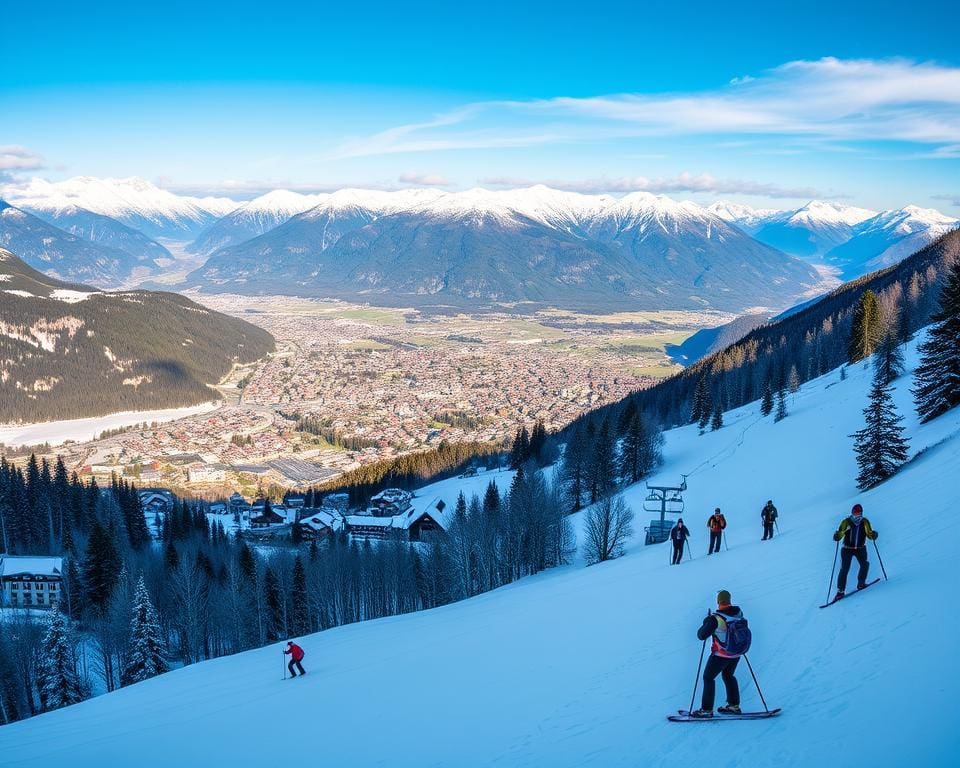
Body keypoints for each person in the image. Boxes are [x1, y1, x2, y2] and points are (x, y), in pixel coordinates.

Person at [690, 590, 744, 718]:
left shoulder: (715, 618)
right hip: (736, 653)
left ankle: (706, 710)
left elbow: (701, 635)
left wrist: (706, 622)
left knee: (708, 678)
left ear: (718, 602)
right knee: (728, 675)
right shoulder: (738, 614)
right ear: (729, 600)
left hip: (721, 655)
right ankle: (733, 706)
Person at [832, 503, 878, 600]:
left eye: (858, 512)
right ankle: (840, 591)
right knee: (844, 569)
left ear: (861, 513)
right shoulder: (846, 522)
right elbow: (841, 532)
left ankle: (861, 583)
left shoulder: (865, 522)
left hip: (860, 548)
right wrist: (837, 536)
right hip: (847, 549)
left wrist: (873, 535)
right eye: (855, 512)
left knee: (865, 564)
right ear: (852, 512)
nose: (857, 514)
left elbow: (869, 534)